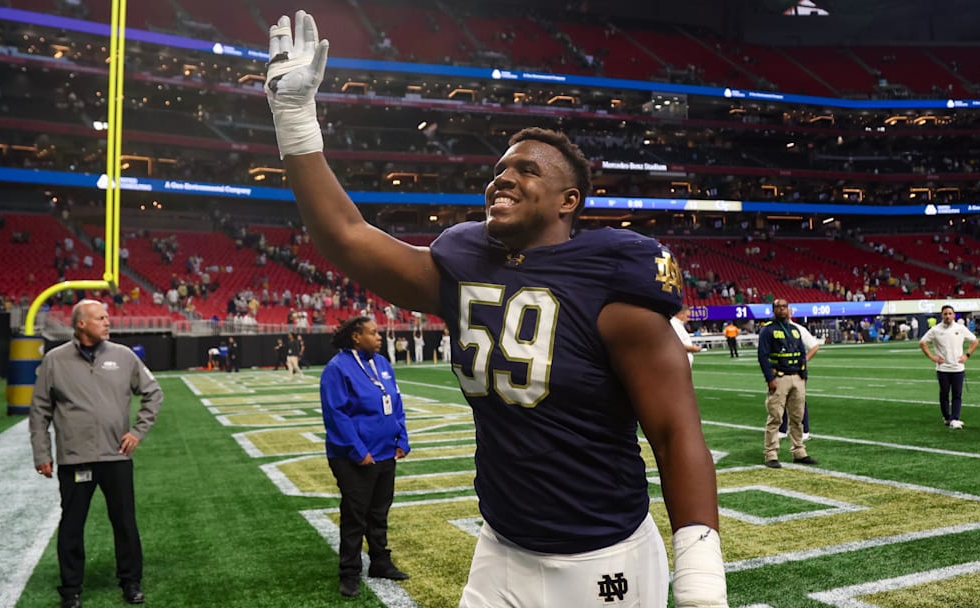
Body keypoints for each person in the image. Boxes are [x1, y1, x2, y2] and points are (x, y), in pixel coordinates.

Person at [265, 12, 727, 607]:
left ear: (569, 201)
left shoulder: (613, 276)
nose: (502, 179)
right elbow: (348, 237)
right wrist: (296, 120)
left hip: (602, 557)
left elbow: (674, 430)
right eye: (499, 170)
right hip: (502, 547)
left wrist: (699, 578)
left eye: (526, 171)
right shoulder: (464, 259)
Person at [29, 299, 163, 608]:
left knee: (125, 522)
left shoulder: (124, 356)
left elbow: (153, 393)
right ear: (81, 324)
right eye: (100, 318)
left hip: (116, 456)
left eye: (106, 317)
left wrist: (138, 432)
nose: (107, 322)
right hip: (75, 458)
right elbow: (39, 411)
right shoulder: (55, 360)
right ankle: (71, 589)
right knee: (72, 525)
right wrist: (41, 453)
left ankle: (131, 582)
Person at [320, 316, 411, 597]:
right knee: (355, 515)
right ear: (356, 337)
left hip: (385, 453)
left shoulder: (382, 363)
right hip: (353, 457)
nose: (379, 337)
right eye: (373, 333)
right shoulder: (337, 369)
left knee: (379, 512)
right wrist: (359, 451)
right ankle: (349, 572)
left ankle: (380, 562)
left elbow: (395, 402)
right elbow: (336, 415)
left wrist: (402, 437)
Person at [758, 299, 817, 468]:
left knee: (797, 417)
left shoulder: (795, 330)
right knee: (775, 417)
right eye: (778, 307)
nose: (782, 310)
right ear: (773, 310)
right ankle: (771, 454)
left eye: (784, 307)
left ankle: (799, 451)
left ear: (789, 310)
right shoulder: (767, 330)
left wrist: (803, 375)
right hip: (780, 377)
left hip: (797, 377)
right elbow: (763, 356)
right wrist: (770, 379)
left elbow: (801, 353)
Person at [919, 305, 979, 429]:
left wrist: (967, 355)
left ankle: (955, 418)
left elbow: (975, 341)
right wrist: (932, 357)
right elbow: (922, 342)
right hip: (943, 369)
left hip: (958, 368)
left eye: (950, 313)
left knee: (957, 395)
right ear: (941, 315)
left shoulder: (960, 328)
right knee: (944, 394)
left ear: (954, 315)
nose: (947, 316)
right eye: (945, 314)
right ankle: (947, 417)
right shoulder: (935, 330)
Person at [778, 310, 822, 441]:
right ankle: (782, 428)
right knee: (781, 399)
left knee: (798, 399)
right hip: (781, 369)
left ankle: (804, 430)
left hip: (797, 370)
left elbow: (814, 346)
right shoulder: (773, 329)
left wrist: (805, 360)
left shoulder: (798, 329)